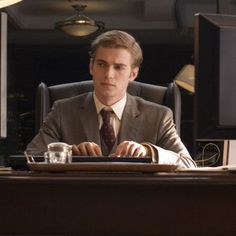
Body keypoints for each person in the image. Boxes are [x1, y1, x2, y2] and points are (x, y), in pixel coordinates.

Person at [26, 30, 196, 168]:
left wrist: (149, 151)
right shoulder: (62, 110)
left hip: (139, 203)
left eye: (119, 67)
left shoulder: (159, 116)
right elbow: (30, 156)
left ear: (133, 73)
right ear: (91, 67)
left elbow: (188, 164)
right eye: (101, 64)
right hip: (77, 203)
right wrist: (68, 152)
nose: (109, 74)